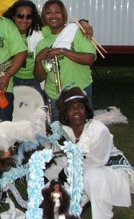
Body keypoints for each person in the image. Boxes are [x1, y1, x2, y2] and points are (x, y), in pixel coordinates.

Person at [47, 86, 133, 219]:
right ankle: (77, 203)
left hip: (110, 173)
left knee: (92, 176)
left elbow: (96, 161)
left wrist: (65, 173)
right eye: (71, 108)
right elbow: (61, 158)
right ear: (65, 114)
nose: (76, 111)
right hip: (80, 174)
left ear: (86, 110)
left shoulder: (98, 130)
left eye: (80, 106)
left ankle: (104, 216)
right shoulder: (63, 131)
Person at [34, 0, 96, 121]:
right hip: (55, 95)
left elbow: (90, 59)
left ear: (64, 14)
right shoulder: (42, 43)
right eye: (48, 13)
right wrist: (38, 60)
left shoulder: (77, 32)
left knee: (83, 133)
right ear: (44, 17)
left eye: (57, 12)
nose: (53, 16)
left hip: (80, 91)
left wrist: (63, 51)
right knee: (59, 134)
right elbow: (40, 77)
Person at [2, 0, 43, 94]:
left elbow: (61, 28)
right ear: (13, 17)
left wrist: (83, 24)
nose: (24, 20)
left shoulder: (40, 33)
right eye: (20, 16)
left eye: (29, 16)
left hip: (34, 79)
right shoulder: (5, 32)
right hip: (12, 78)